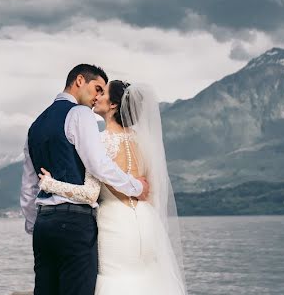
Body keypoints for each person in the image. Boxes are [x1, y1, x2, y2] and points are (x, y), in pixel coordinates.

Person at [38, 80, 187, 295]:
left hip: (115, 224)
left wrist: (51, 184)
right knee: (149, 281)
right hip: (148, 223)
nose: (96, 97)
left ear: (113, 105)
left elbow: (90, 193)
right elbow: (152, 190)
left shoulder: (100, 141)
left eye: (102, 93)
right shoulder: (143, 142)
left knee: (116, 283)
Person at [21, 64, 150, 295]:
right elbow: (99, 165)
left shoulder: (34, 127)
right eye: (97, 88)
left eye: (103, 92)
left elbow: (28, 187)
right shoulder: (80, 114)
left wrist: (35, 224)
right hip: (75, 224)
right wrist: (135, 186)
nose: (97, 97)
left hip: (43, 227)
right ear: (80, 80)